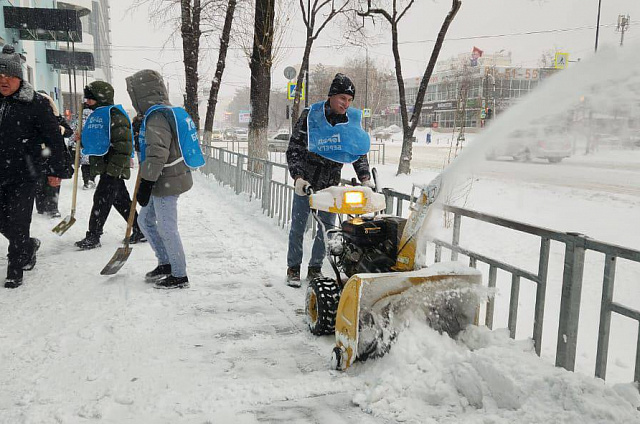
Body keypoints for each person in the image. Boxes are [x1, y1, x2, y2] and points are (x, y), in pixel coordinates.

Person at [285, 73, 374, 287]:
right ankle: (293, 268)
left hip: (331, 185)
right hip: (306, 184)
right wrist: (298, 177)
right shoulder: (311, 116)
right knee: (298, 227)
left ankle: (315, 268)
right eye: (342, 98)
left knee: (326, 229)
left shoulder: (349, 121)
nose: (346, 103)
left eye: (350, 100)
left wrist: (365, 177)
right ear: (332, 96)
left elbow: (357, 152)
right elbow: (294, 148)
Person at [0, 45, 71, 288]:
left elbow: (54, 139)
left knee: (18, 220)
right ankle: (28, 245)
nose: (3, 80)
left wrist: (56, 171)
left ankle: (15, 266)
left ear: (19, 77)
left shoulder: (36, 103)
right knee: (3, 221)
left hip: (24, 173)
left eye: (8, 75)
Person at [126, 69, 196, 289]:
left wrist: (146, 182)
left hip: (166, 180)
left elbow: (158, 153)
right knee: (144, 221)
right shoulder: (157, 114)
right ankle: (166, 262)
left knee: (166, 227)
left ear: (141, 94)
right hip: (163, 178)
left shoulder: (157, 116)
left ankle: (179, 274)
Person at [74, 81, 146, 250]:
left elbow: (124, 146)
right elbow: (99, 140)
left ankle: (93, 235)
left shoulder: (115, 116)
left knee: (101, 200)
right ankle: (140, 229)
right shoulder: (100, 115)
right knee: (120, 201)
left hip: (113, 167)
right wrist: (83, 140)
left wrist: (113, 170)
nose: (87, 102)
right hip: (108, 166)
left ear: (100, 98)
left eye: (90, 99)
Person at [34, 91, 73, 218]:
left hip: (56, 152)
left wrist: (61, 129)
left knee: (54, 179)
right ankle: (41, 206)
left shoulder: (56, 116)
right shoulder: (32, 116)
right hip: (39, 152)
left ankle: (52, 207)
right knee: (40, 180)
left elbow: (68, 131)